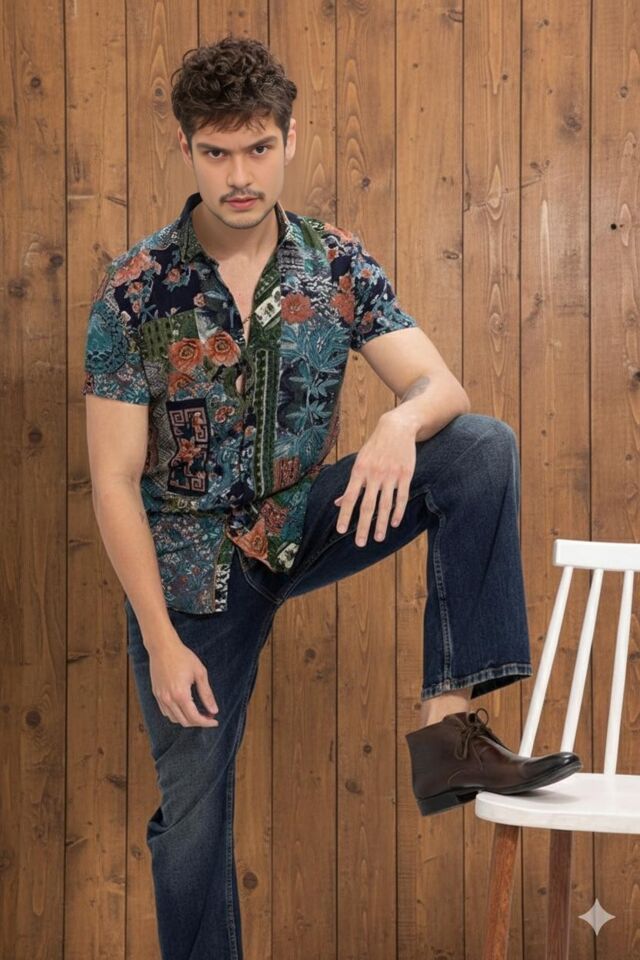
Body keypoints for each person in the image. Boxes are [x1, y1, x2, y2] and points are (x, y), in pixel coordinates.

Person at [82, 33, 581, 960]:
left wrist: (398, 423)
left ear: (291, 139)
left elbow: (440, 386)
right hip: (191, 574)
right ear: (187, 148)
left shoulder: (336, 264)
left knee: (478, 448)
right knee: (190, 818)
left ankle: (449, 737)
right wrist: (159, 640)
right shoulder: (134, 290)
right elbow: (113, 479)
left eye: (258, 148)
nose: (240, 175)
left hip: (305, 520)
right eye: (217, 152)